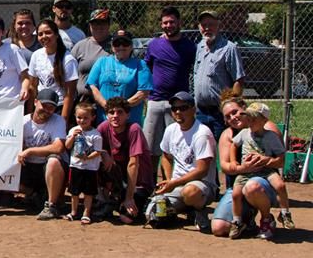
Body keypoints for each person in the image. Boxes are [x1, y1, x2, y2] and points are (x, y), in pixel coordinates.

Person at [211, 92, 283, 238]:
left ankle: (267, 219)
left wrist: (265, 161)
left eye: (235, 112)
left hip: (264, 183)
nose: (233, 117)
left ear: (245, 109)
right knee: (219, 228)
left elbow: (281, 160)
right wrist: (242, 168)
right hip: (238, 187)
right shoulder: (228, 135)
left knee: (252, 186)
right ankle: (246, 221)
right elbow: (225, 167)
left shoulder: (267, 128)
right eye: (228, 116)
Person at [143, 6, 197, 174]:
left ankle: (173, 181)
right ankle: (150, 184)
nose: (169, 25)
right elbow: (147, 68)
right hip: (155, 101)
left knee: (176, 146)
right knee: (151, 147)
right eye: (165, 22)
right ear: (161, 24)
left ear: (179, 22)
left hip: (178, 104)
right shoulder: (154, 45)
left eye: (172, 22)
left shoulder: (190, 47)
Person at [228, 102, 292, 239]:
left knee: (280, 185)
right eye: (248, 118)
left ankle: (285, 213)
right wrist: (233, 161)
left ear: (264, 120)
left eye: (254, 119)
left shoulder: (271, 136)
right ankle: (237, 221)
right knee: (235, 195)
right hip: (246, 171)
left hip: (266, 170)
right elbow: (233, 145)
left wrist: (267, 160)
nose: (250, 122)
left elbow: (281, 156)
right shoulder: (244, 133)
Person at [156, 91, 216, 233]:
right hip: (177, 184)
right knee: (156, 210)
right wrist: (170, 179)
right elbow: (165, 157)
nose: (178, 112)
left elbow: (202, 170)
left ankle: (199, 211)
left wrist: (174, 183)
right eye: (174, 108)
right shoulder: (171, 129)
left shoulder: (202, 133)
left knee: (190, 192)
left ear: (193, 110)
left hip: (202, 185)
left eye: (183, 108)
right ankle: (186, 210)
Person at [95, 97, 154, 224]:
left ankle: (119, 202)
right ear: (106, 115)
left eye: (120, 112)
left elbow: (133, 164)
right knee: (96, 160)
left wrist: (129, 198)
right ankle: (104, 198)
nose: (115, 116)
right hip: (118, 181)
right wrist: (103, 153)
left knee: (127, 218)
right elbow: (90, 150)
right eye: (111, 112)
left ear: (128, 115)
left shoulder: (134, 129)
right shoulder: (103, 127)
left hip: (137, 183)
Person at [193, 10, 245, 138]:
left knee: (223, 149)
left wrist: (231, 108)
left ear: (219, 26)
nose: (207, 28)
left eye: (211, 24)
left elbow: (239, 79)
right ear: (199, 27)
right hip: (200, 111)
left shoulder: (229, 48)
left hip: (220, 112)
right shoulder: (198, 48)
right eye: (203, 25)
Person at [18, 89, 68, 220]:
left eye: (51, 108)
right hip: (28, 167)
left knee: (54, 161)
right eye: (44, 106)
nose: (47, 110)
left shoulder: (58, 121)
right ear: (35, 102)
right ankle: (33, 194)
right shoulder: (22, 122)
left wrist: (30, 150)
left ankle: (51, 206)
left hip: (46, 168)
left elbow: (58, 147)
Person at [86, 30, 151, 124]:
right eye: (117, 43)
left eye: (125, 43)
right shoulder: (102, 62)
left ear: (131, 46)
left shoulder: (140, 64)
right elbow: (92, 86)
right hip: (104, 120)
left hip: (129, 120)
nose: (121, 47)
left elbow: (143, 92)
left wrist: (121, 109)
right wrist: (107, 107)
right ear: (112, 47)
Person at [28, 20, 78, 124]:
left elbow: (70, 94)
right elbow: (32, 86)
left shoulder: (68, 59)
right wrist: (30, 113)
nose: (44, 36)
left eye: (48, 32)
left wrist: (63, 121)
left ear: (56, 35)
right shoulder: (36, 55)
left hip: (58, 108)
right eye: (40, 34)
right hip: (40, 107)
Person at [64, 102, 102, 224]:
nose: (82, 120)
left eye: (86, 118)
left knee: (88, 192)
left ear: (92, 118)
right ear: (75, 117)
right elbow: (67, 146)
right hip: (75, 166)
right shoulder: (73, 130)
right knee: (74, 191)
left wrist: (87, 158)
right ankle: (74, 212)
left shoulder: (96, 134)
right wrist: (72, 137)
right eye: (79, 117)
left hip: (90, 168)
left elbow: (98, 151)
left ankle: (86, 213)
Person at [71, 9, 113, 102]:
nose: (98, 26)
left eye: (102, 23)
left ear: (109, 25)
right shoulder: (80, 46)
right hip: (83, 101)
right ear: (90, 25)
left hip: (108, 100)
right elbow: (69, 73)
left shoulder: (117, 45)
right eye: (95, 23)